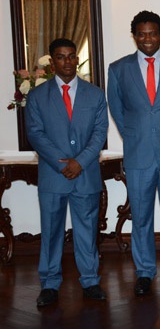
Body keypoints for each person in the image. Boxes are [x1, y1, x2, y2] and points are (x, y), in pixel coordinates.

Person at [108, 10, 160, 295]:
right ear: (134, 36)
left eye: (152, 33)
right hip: (138, 155)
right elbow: (118, 111)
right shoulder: (118, 69)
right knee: (141, 217)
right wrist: (135, 136)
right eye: (142, 34)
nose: (147, 39)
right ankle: (144, 272)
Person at [25, 38, 109, 307]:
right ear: (52, 62)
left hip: (85, 174)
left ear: (77, 60)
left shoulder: (95, 94)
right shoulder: (37, 96)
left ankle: (90, 280)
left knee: (87, 231)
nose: (67, 62)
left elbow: (99, 133)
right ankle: (49, 283)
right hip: (53, 175)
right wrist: (62, 164)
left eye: (72, 56)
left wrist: (80, 162)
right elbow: (35, 135)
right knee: (51, 231)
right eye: (61, 57)